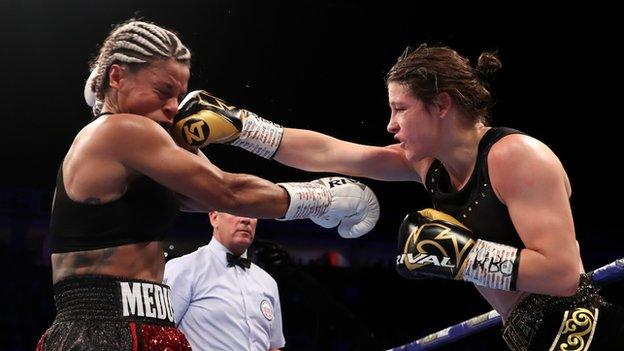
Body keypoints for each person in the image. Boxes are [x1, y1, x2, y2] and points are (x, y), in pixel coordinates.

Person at [174, 44, 624, 350]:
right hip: (522, 335)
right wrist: (242, 129)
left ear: (442, 105)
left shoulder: (518, 158)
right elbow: (331, 152)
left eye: (400, 109)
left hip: (579, 328)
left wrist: (463, 256)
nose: (390, 124)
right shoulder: (427, 163)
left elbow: (564, 275)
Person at [37, 19, 379, 351]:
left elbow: (219, 197)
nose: (173, 107)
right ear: (117, 75)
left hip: (150, 326)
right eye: (163, 91)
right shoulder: (122, 130)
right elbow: (227, 191)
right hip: (101, 331)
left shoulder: (141, 147)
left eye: (179, 95)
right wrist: (321, 197)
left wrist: (222, 133)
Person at [164, 211, 285, 351]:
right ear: (215, 217)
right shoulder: (183, 269)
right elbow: (160, 333)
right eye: (236, 210)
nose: (246, 219)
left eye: (252, 213)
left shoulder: (268, 282)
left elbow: (274, 346)